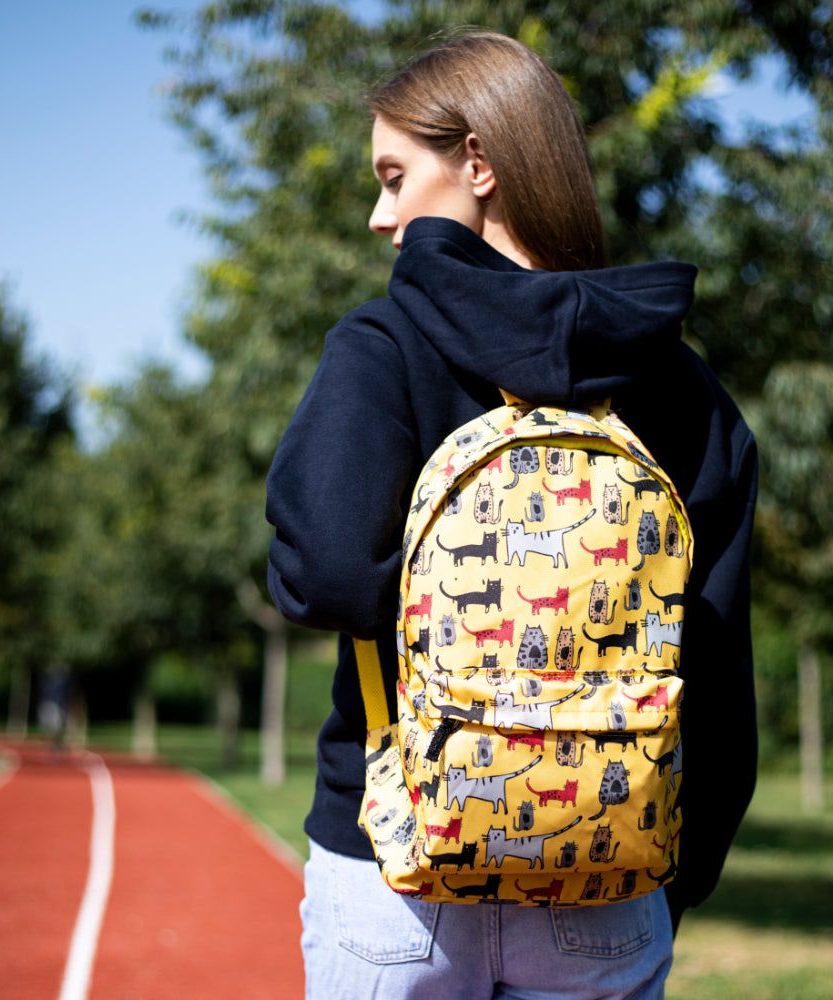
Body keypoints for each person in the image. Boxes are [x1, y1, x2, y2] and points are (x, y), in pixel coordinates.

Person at [266, 29, 758, 1000]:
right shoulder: (682, 387)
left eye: (395, 174)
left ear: (478, 166)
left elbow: (320, 570)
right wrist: (675, 874)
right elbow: (716, 654)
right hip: (608, 868)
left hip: (398, 865)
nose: (379, 213)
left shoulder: (384, 345)